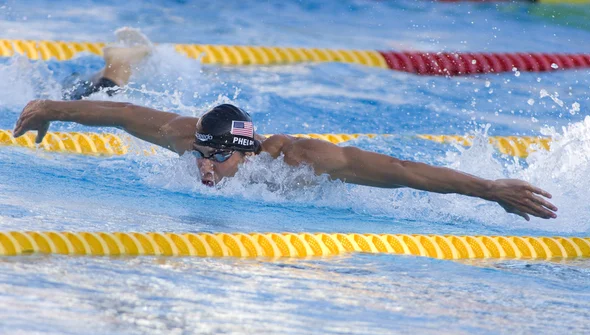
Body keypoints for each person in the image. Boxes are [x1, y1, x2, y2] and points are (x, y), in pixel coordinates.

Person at [12, 30, 558, 222]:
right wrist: (50, 109)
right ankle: (119, 64)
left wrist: (488, 190)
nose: (203, 167)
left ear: (248, 155)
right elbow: (125, 117)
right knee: (106, 93)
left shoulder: (299, 159)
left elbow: (399, 170)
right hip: (110, 100)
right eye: (201, 155)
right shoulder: (189, 136)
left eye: (217, 158)